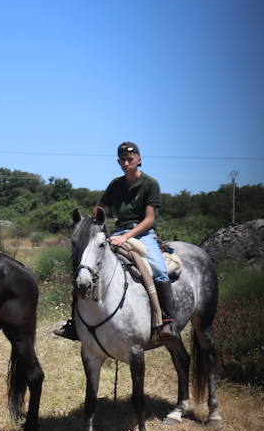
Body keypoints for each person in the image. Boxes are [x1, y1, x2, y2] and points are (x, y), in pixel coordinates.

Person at [55, 140, 175, 343]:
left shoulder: (150, 184)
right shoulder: (115, 185)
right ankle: (75, 324)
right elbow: (99, 208)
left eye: (130, 159)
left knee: (159, 269)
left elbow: (149, 219)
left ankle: (168, 320)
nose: (126, 164)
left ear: (139, 159)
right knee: (85, 269)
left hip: (142, 234)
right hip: (118, 232)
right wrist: (88, 225)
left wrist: (126, 237)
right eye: (122, 161)